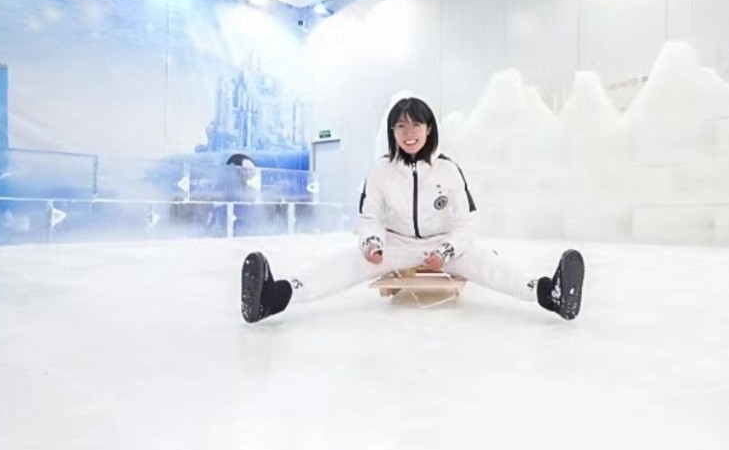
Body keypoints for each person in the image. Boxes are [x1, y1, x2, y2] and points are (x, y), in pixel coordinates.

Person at [240, 97, 585, 322]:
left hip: (444, 244)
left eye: (416, 125)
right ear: (393, 132)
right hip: (398, 244)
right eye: (401, 126)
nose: (409, 133)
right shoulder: (381, 171)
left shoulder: (448, 170)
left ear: (429, 129)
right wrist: (372, 244)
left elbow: (466, 224)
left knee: (488, 264)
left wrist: (446, 250)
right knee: (344, 265)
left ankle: (550, 293)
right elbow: (369, 218)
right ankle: (273, 297)